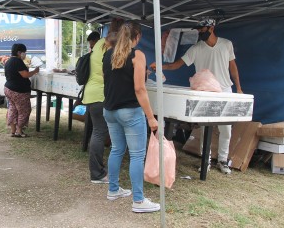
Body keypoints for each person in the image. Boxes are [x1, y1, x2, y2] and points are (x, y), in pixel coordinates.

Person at [150, 17, 243, 174]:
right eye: (198, 30)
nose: (200, 32)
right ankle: (205, 160)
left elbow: (233, 67)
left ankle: (222, 160)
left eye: (202, 30)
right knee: (206, 127)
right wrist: (160, 66)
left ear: (211, 28)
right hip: (204, 90)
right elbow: (177, 64)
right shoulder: (196, 48)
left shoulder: (226, 44)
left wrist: (239, 88)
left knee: (226, 128)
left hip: (225, 89)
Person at [102, 21, 160, 213]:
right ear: (137, 37)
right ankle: (138, 200)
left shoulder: (108, 55)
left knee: (117, 149)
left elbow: (112, 82)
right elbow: (139, 88)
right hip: (130, 111)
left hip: (109, 110)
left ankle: (113, 190)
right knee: (136, 155)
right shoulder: (138, 55)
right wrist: (151, 117)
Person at [83, 19, 123, 184]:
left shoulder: (99, 43)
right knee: (99, 133)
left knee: (97, 132)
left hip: (91, 93)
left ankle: (98, 171)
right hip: (101, 94)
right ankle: (97, 174)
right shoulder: (111, 48)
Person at [4, 43, 39, 137]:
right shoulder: (17, 61)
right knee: (24, 110)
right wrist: (35, 71)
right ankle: (19, 131)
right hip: (18, 91)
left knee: (13, 109)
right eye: (24, 52)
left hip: (8, 89)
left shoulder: (9, 61)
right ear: (19, 52)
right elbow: (25, 75)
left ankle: (13, 131)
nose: (25, 54)